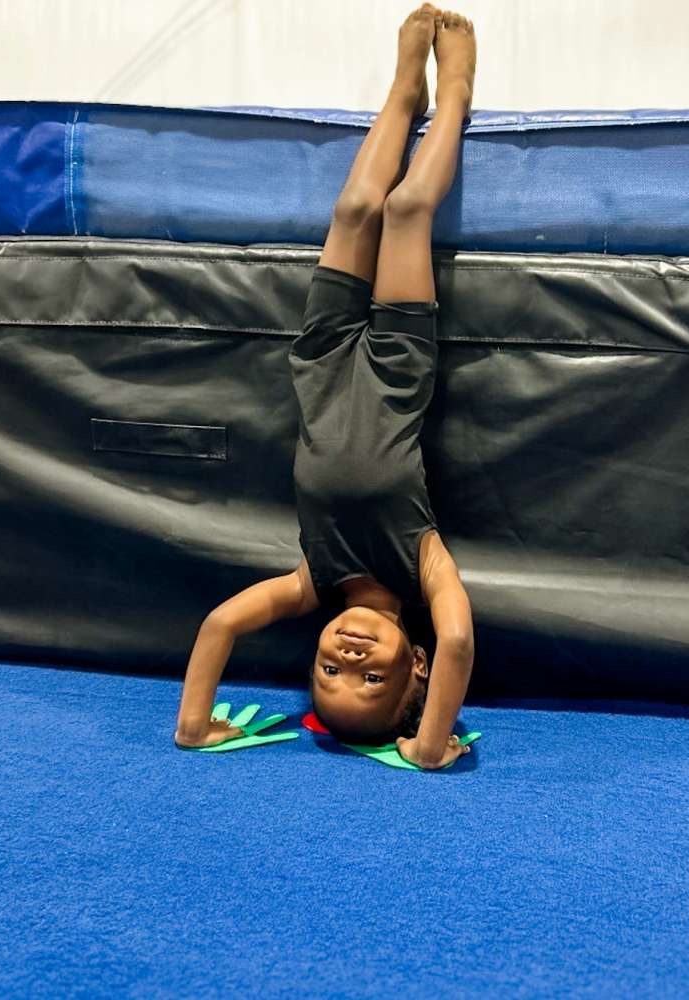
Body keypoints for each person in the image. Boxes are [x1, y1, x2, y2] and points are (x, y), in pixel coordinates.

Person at [174, 6, 478, 770]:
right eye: (370, 676)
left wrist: (193, 726)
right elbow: (462, 641)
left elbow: (218, 626)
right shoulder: (423, 564)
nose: (345, 656)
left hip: (321, 361)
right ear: (415, 662)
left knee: (353, 209)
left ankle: (403, 92)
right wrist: (432, 743)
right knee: (406, 211)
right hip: (397, 368)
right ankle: (458, 93)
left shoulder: (313, 577)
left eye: (327, 673)